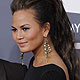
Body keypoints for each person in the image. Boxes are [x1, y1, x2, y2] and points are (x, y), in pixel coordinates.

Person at [10, 0, 79, 80]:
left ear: (45, 29)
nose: (18, 36)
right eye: (14, 30)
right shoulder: (37, 61)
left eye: (25, 29)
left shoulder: (51, 74)